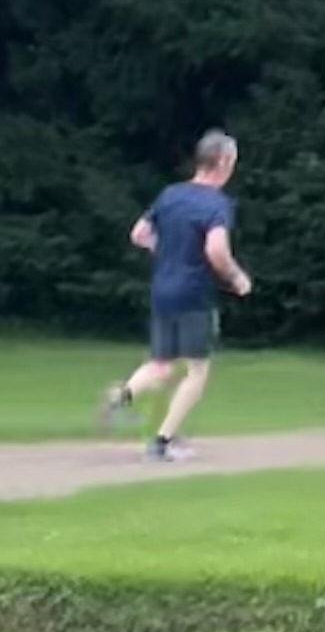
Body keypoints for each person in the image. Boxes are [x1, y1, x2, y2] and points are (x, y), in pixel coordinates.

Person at [102, 128, 251, 461]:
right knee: (197, 372)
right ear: (223, 162)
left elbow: (139, 234)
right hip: (194, 294)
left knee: (162, 364)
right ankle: (162, 442)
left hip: (163, 290)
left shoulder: (170, 195)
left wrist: (168, 252)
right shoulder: (217, 204)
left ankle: (122, 396)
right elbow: (216, 249)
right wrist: (236, 276)